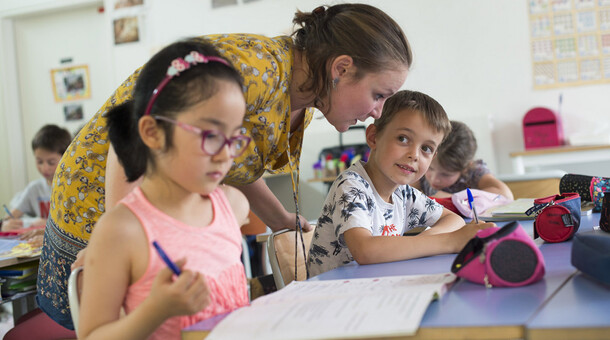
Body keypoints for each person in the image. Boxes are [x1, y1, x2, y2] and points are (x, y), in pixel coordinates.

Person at [38, 3, 412, 329]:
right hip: (102, 200)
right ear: (342, 68)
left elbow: (235, 165)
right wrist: (132, 229)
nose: (377, 112)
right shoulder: (252, 70)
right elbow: (133, 128)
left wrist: (280, 218)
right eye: (378, 95)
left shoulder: (298, 93)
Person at [79, 39, 250, 339]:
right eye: (211, 135)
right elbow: (92, 335)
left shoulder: (231, 206)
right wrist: (156, 310)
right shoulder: (121, 231)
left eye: (235, 138)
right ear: (152, 133)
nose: (226, 155)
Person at [308, 91, 495, 276]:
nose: (414, 155)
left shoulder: (403, 193)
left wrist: (425, 240)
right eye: (403, 139)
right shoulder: (351, 186)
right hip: (333, 295)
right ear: (374, 137)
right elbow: (364, 250)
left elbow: (454, 219)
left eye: (426, 148)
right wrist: (449, 242)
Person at [412, 120, 514, 200]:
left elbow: (506, 195)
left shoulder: (474, 173)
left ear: (465, 168)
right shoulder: (422, 167)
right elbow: (403, 192)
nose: (434, 179)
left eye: (446, 174)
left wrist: (453, 199)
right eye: (430, 168)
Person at [1, 124, 71, 231]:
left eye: (51, 162)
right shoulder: (34, 189)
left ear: (66, 158)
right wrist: (4, 225)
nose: (44, 168)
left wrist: (48, 224)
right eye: (39, 161)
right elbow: (10, 217)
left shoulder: (72, 188)